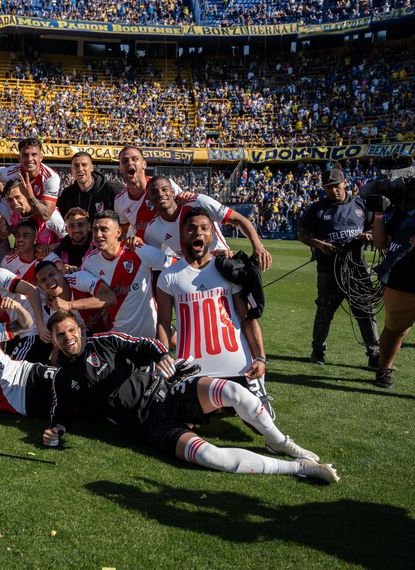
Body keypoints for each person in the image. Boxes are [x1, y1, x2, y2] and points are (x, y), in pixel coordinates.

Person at [43, 310, 339, 484]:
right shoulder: (62, 378)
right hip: (151, 428)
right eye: (60, 334)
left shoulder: (105, 341)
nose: (68, 336)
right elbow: (61, 413)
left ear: (80, 329)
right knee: (212, 457)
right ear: (54, 340)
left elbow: (144, 344)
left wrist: (160, 354)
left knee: (233, 391)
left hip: (167, 392)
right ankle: (300, 468)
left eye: (71, 329)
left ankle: (279, 442)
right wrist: (56, 429)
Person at [156, 207, 274, 418]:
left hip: (238, 366)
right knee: (180, 420)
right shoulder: (168, 276)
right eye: (192, 229)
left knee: (263, 424)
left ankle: (252, 392)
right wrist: (164, 354)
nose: (198, 233)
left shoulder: (228, 269)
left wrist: (261, 358)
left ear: (212, 234)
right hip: (193, 369)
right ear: (183, 234)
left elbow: (247, 319)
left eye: (204, 228)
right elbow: (163, 322)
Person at [298, 168, 379, 369]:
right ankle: (318, 350)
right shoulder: (316, 209)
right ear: (324, 189)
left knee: (366, 311)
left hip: (357, 267)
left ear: (345, 183)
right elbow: (302, 234)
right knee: (324, 310)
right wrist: (319, 245)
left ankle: (374, 354)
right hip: (328, 269)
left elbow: (374, 228)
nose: (333, 190)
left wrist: (368, 234)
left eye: (336, 185)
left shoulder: (361, 204)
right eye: (328, 187)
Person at [144, 176, 272, 270]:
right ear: (149, 198)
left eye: (164, 189)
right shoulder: (153, 229)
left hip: (223, 267)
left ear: (172, 192)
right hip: (192, 276)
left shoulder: (198, 202)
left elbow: (239, 219)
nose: (160, 194)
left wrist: (258, 247)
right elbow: (158, 261)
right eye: (154, 192)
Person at [81, 211, 172, 337]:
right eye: (95, 229)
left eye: (104, 229)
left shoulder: (138, 250)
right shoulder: (89, 262)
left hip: (148, 336)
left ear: (118, 232)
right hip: (116, 338)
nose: (98, 234)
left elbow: (174, 264)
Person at [371, 198, 415, 388]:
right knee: (396, 328)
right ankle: (384, 369)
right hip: (403, 276)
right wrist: (379, 214)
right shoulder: (405, 213)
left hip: (402, 276)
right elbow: (380, 242)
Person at [0, 138, 61, 222]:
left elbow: (46, 216)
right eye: (25, 155)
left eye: (34, 155)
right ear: (19, 158)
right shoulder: (10, 172)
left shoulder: (51, 177)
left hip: (41, 217)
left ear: (41, 157)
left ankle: (63, 235)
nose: (30, 159)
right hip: (21, 212)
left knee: (54, 217)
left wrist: (29, 196)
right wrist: (2, 192)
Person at [35, 260, 116, 334]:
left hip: (113, 332)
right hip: (88, 341)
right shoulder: (52, 305)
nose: (49, 281)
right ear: (41, 287)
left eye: (52, 274)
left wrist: (69, 305)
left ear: (61, 273)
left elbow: (110, 298)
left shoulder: (79, 279)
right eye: (43, 280)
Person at [57, 151, 121, 221]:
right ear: (72, 170)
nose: (80, 169)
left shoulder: (113, 189)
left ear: (92, 168)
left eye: (84, 165)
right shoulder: (67, 194)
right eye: (76, 166)